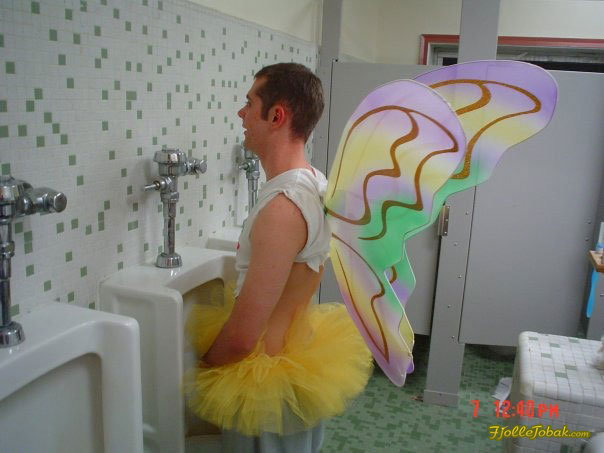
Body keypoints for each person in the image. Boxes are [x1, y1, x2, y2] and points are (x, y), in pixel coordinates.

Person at [185, 63, 373, 453]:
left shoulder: (283, 207)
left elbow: (242, 338)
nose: (241, 113)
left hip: (264, 382)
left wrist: (200, 368)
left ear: (276, 116)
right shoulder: (313, 182)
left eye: (249, 103)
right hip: (292, 363)